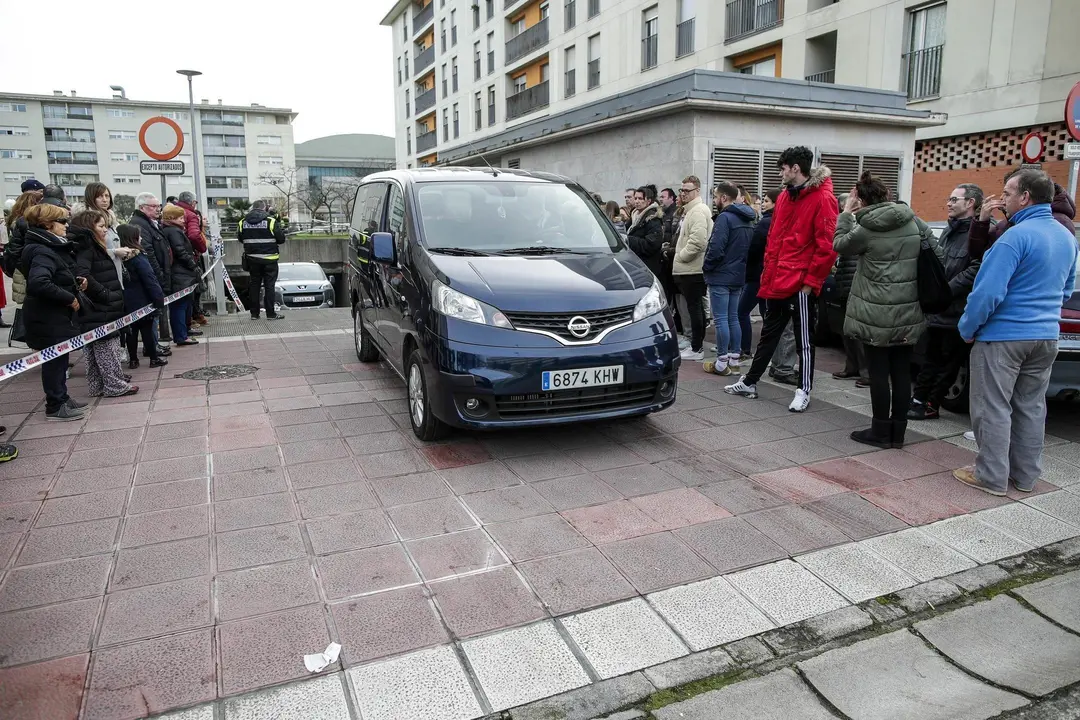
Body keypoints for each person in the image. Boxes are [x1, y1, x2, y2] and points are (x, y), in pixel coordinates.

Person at [955, 169, 1078, 496]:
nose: (1003, 199)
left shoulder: (1014, 237)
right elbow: (1066, 290)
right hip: (1046, 336)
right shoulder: (1067, 237)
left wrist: (968, 328)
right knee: (1031, 407)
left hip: (1004, 336)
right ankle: (1025, 476)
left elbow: (987, 293)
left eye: (1008, 193)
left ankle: (991, 476)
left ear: (1025, 197)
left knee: (992, 406)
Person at [725, 146, 838, 412]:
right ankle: (750, 382)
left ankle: (804, 390)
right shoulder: (787, 196)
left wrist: (810, 283)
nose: (780, 173)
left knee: (804, 340)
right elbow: (775, 239)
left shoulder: (823, 198)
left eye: (783, 168)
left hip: (799, 282)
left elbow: (827, 246)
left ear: (795, 168)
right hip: (778, 278)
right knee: (769, 334)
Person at [834, 172, 934, 449]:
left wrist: (845, 213)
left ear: (861, 200)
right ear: (888, 195)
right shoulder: (914, 222)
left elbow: (840, 245)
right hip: (908, 309)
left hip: (874, 312)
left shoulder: (866, 229)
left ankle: (880, 431)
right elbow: (937, 254)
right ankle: (898, 433)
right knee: (901, 373)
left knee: (878, 373)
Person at [908, 184, 982, 420]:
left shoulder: (979, 233)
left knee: (948, 364)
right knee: (930, 358)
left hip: (957, 311)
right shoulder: (950, 230)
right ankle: (918, 400)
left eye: (954, 199)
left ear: (970, 203)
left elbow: (976, 269)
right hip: (938, 309)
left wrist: (946, 290)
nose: (948, 204)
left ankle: (931, 404)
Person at [19, 203, 92, 420]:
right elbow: (39, 282)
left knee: (60, 360)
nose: (66, 225)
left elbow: (55, 275)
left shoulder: (47, 246)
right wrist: (69, 297)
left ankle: (61, 398)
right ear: (47, 224)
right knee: (54, 361)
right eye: (62, 221)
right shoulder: (42, 250)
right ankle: (55, 404)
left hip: (53, 316)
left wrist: (74, 282)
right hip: (48, 316)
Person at [71, 210, 137, 398]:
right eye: (101, 226)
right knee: (107, 347)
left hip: (96, 308)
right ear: (89, 229)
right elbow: (83, 275)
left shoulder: (87, 247)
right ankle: (115, 385)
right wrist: (104, 294)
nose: (105, 230)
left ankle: (97, 385)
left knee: (94, 349)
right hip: (100, 307)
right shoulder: (88, 248)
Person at [703, 181, 755, 375]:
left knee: (721, 319)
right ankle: (734, 360)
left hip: (721, 275)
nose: (715, 200)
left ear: (724, 197)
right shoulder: (748, 218)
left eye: (716, 196)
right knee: (733, 318)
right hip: (738, 274)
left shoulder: (725, 218)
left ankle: (721, 362)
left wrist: (707, 267)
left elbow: (716, 248)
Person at [969, 173, 1075, 261]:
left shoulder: (1060, 223)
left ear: (1024, 197)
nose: (1001, 198)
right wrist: (981, 222)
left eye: (1007, 193)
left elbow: (994, 274)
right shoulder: (1008, 224)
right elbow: (978, 254)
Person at [671, 175, 714, 361]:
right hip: (690, 269)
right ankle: (696, 345)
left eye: (687, 190)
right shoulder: (691, 210)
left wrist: (681, 256)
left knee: (695, 309)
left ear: (697, 191)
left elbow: (698, 242)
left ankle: (697, 348)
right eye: (682, 190)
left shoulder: (697, 211)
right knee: (694, 309)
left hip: (693, 269)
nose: (683, 194)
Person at [831, 192, 870, 385]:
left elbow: (843, 244)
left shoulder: (861, 222)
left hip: (854, 281)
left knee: (859, 331)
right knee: (847, 330)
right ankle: (852, 367)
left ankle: (866, 372)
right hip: (845, 281)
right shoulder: (849, 221)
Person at [737, 188, 780, 361]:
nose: (763, 203)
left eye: (767, 201)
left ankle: (745, 349)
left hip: (757, 275)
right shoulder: (775, 220)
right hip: (765, 274)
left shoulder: (765, 222)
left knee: (741, 312)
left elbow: (754, 248)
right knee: (766, 315)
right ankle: (767, 354)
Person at [118, 224, 167, 369]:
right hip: (143, 299)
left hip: (126, 300)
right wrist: (158, 297)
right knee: (147, 330)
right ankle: (153, 358)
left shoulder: (118, 258)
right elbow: (149, 278)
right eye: (138, 236)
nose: (141, 238)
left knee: (131, 332)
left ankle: (133, 360)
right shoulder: (138, 257)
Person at [129, 193, 173, 346]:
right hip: (152, 275)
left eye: (158, 206)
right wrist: (159, 276)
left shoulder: (151, 223)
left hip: (158, 273)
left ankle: (154, 345)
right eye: (153, 206)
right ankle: (152, 346)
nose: (158, 209)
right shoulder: (140, 224)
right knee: (151, 313)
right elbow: (149, 252)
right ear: (142, 207)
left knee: (154, 314)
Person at [239, 199, 287, 320]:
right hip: (269, 260)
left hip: (252, 259)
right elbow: (281, 239)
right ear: (264, 208)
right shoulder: (270, 221)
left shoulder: (243, 222)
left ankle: (254, 314)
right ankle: (270, 314)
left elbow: (240, 238)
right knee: (269, 286)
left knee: (254, 285)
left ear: (253, 208)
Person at [161, 204, 201, 346]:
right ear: (171, 218)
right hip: (181, 273)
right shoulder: (174, 232)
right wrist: (193, 265)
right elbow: (180, 251)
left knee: (183, 304)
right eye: (180, 218)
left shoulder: (167, 230)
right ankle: (181, 335)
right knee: (180, 305)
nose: (183, 220)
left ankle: (183, 332)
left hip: (178, 272)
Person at [3, 190, 44, 308]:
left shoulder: (15, 220)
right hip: (25, 269)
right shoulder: (23, 223)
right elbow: (16, 250)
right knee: (31, 304)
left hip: (21, 268)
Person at [175, 191, 209, 329]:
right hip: (189, 257)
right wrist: (202, 248)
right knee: (191, 293)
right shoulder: (191, 215)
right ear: (192, 202)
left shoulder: (175, 211)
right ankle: (188, 323)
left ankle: (188, 322)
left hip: (175, 259)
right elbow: (194, 235)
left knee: (180, 297)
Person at [658, 187, 683, 334]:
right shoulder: (664, 213)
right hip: (668, 257)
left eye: (663, 196)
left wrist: (670, 250)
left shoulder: (675, 213)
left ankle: (680, 328)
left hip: (674, 259)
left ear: (671, 198)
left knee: (677, 298)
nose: (661, 199)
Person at [626, 186, 664, 277]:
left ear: (648, 201)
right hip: (635, 265)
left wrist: (628, 239)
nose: (637, 201)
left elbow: (651, 245)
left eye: (640, 198)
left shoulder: (653, 219)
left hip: (647, 267)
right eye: (635, 198)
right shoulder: (634, 216)